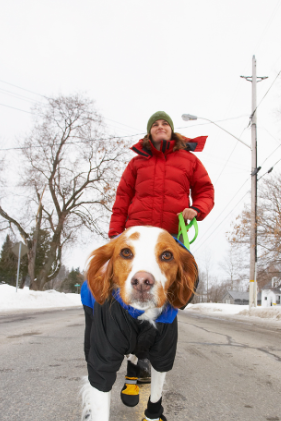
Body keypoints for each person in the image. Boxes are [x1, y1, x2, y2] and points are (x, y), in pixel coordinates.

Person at [82, 110, 215, 402]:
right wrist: (117, 235)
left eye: (165, 123)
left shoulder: (189, 160)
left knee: (172, 302)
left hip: (170, 241)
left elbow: (205, 189)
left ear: (172, 130)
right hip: (137, 239)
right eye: (155, 124)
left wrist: (197, 209)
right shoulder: (137, 162)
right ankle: (129, 359)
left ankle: (147, 358)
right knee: (115, 300)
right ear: (149, 132)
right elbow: (122, 197)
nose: (160, 127)